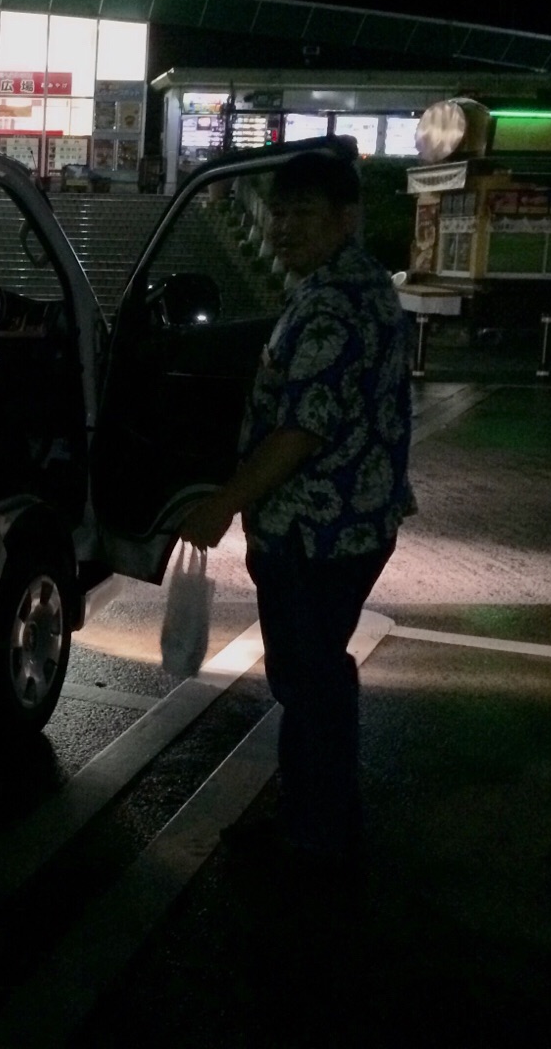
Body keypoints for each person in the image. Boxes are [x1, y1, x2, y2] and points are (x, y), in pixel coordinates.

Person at [179, 150, 414, 868]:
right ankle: (313, 817)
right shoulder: (359, 285)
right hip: (354, 521)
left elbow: (301, 431)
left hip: (317, 531)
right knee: (315, 676)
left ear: (347, 217)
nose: (283, 227)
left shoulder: (334, 306)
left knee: (309, 682)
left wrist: (224, 504)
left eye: (302, 213)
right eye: (278, 212)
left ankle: (315, 836)